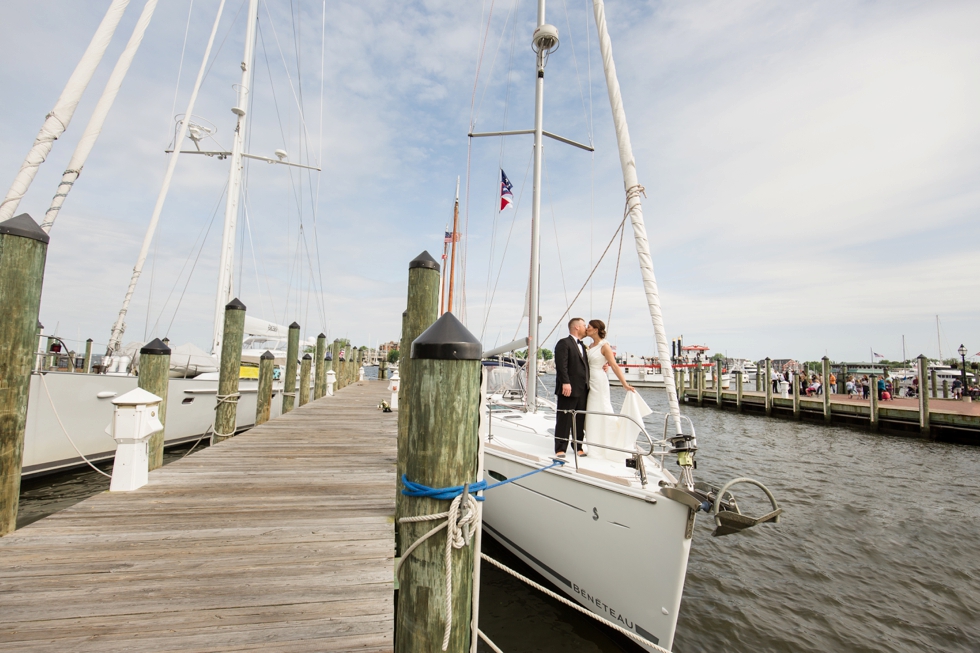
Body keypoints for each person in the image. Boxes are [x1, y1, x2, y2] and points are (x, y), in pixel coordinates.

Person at [583, 320, 635, 459]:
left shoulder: (604, 346)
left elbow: (614, 365)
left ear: (595, 330)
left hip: (599, 382)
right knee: (592, 412)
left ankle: (610, 443)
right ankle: (594, 444)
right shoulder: (590, 345)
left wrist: (624, 384)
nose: (586, 329)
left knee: (602, 409)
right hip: (590, 381)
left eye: (588, 327)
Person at [554, 317, 590, 456]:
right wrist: (565, 382)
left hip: (583, 388)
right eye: (584, 325)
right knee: (564, 418)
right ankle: (560, 448)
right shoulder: (564, 343)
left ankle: (578, 447)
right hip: (568, 388)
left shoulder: (583, 346)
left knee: (579, 419)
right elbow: (561, 365)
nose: (586, 328)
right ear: (576, 327)